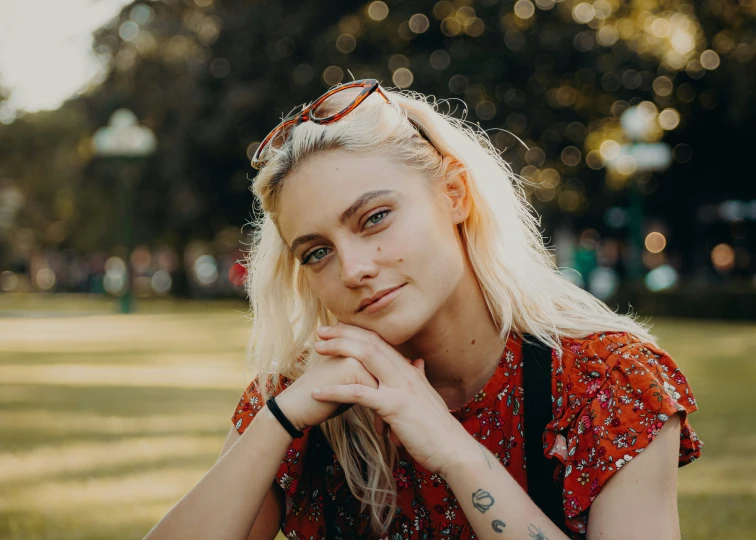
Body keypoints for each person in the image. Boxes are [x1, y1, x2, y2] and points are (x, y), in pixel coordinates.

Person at [144, 80, 703, 540]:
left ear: (455, 194)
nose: (353, 268)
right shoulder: (304, 400)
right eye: (317, 252)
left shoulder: (605, 381)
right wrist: (278, 421)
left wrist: (456, 452)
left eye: (375, 218)